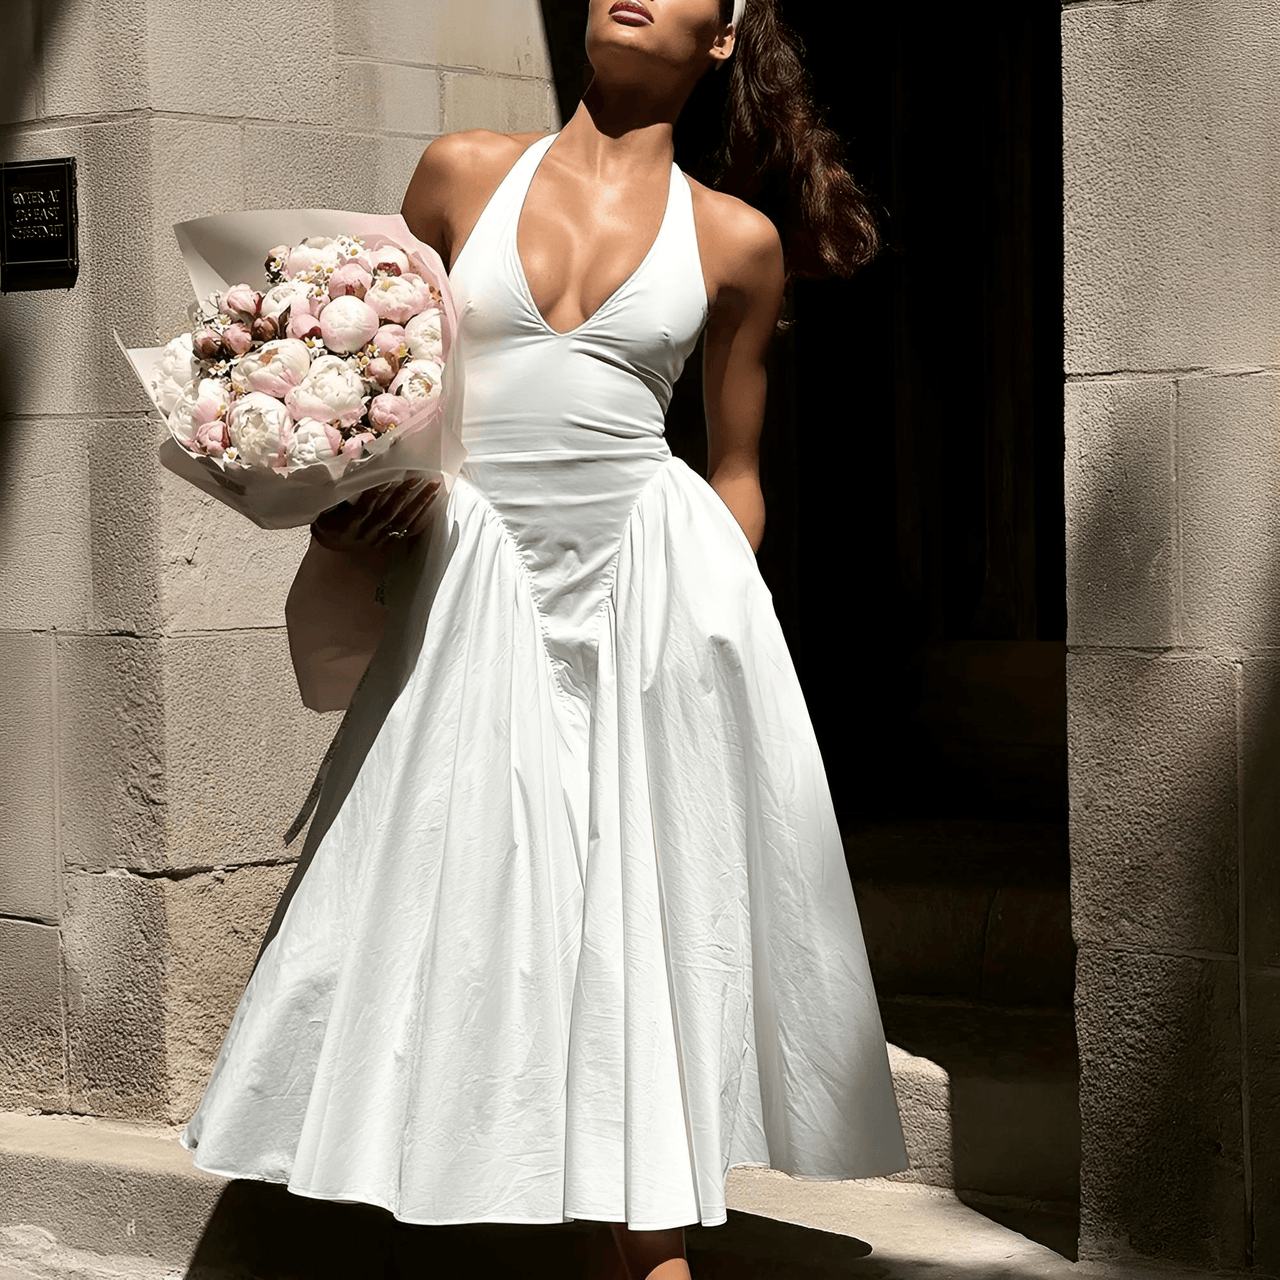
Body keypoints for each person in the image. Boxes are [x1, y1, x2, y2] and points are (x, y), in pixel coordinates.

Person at [177, 3, 909, 1278]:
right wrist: (343, 510)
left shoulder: (735, 241)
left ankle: (645, 1233)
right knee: (460, 890)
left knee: (637, 891)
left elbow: (734, 471)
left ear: (724, 36)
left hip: (648, 588)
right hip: (476, 580)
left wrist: (707, 623)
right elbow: (382, 387)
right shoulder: (461, 170)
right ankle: (469, 1180)